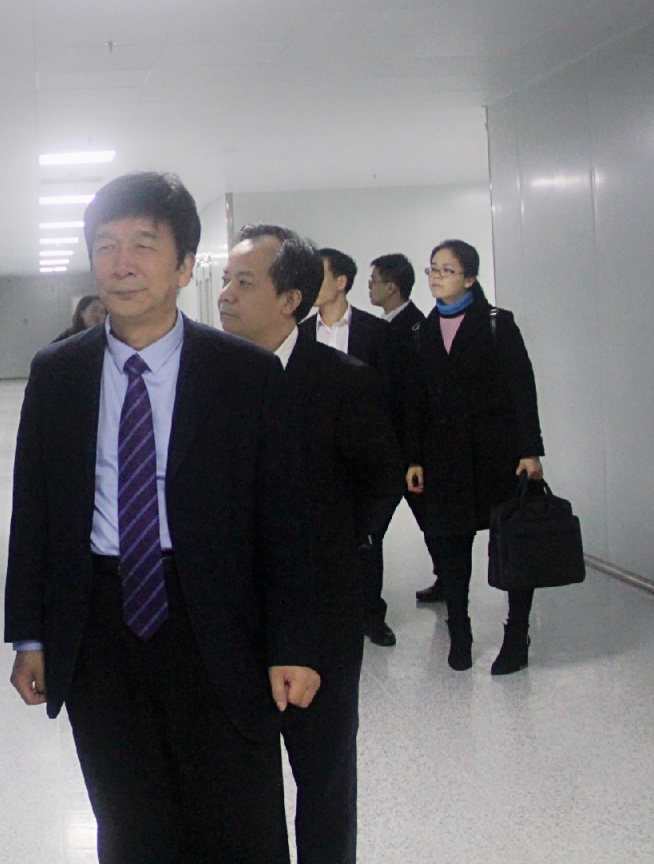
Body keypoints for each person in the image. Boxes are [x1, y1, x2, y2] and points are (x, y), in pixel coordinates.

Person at [5, 171, 320, 863]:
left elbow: (286, 520)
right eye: (106, 246)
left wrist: (293, 642)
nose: (122, 264)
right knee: (129, 820)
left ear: (184, 266)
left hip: (217, 616)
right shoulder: (57, 373)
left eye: (143, 245)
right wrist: (30, 634)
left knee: (240, 818)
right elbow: (36, 511)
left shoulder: (245, 374)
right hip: (100, 619)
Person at [219, 224, 401, 864]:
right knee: (241, 782)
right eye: (225, 280)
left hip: (322, 615)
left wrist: (341, 545)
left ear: (290, 299)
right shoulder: (209, 383)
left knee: (323, 778)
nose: (225, 295)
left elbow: (382, 479)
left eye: (244, 282)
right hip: (232, 615)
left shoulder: (343, 381)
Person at [404, 239, 545, 675]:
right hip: (443, 455)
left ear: (469, 278)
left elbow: (522, 389)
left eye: (446, 270)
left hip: (497, 451)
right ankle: (459, 630)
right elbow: (415, 401)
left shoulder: (498, 323)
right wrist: (413, 457)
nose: (436, 277)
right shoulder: (421, 331)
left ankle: (516, 632)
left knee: (513, 541)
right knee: (451, 542)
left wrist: (530, 450)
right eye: (432, 269)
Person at [301, 247, 398, 647]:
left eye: (319, 276)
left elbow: (393, 394)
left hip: (362, 450)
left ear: (341, 282)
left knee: (367, 535)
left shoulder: (376, 333)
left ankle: (371, 614)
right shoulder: (301, 333)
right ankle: (325, 613)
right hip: (315, 452)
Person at [368, 253, 444, 603]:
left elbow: (415, 395)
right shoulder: (387, 328)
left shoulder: (414, 328)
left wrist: (414, 453)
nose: (369, 288)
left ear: (391, 287)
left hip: (410, 444)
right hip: (392, 443)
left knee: (428, 517)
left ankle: (448, 578)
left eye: (374, 281)